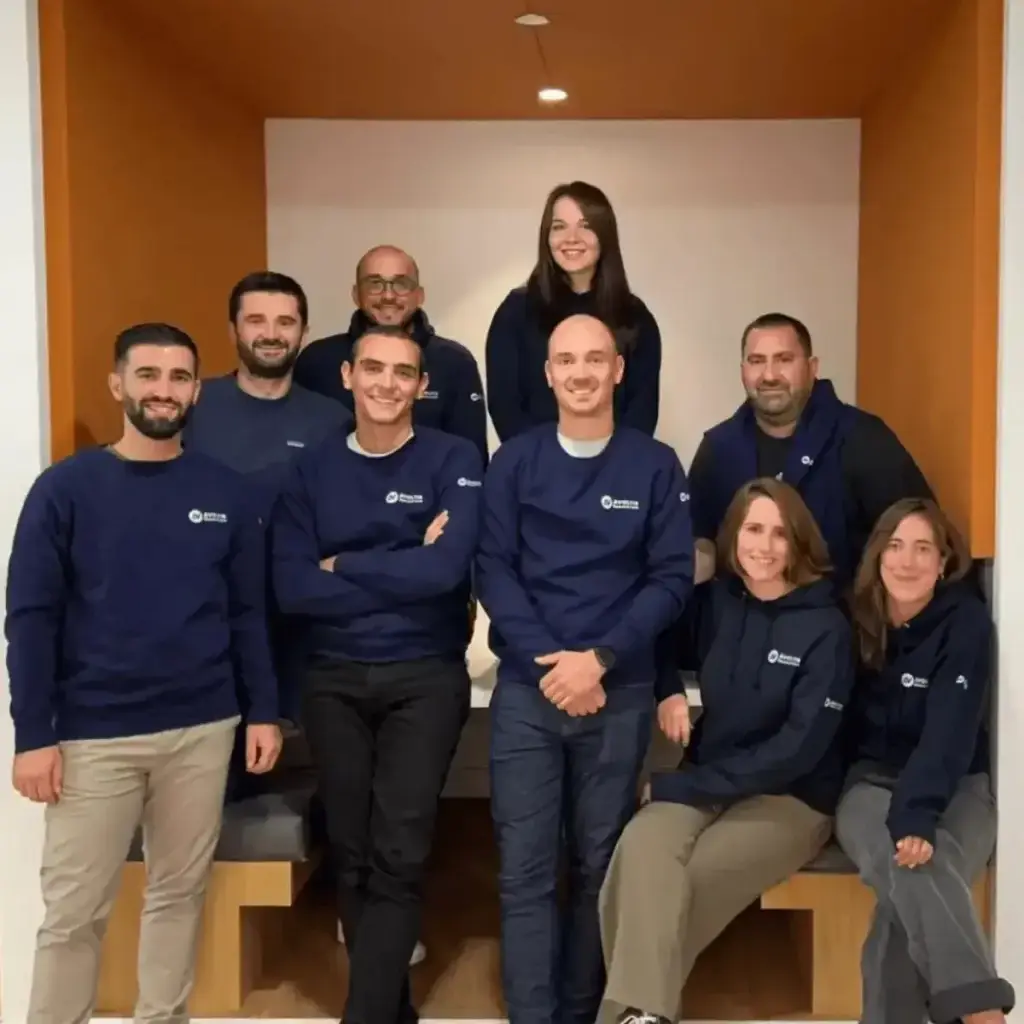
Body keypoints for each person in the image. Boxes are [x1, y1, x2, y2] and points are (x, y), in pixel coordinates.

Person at [6, 323, 283, 1024]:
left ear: (196, 391)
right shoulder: (65, 490)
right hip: (94, 737)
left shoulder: (226, 492)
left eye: (179, 377)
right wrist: (32, 734)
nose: (164, 390)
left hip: (202, 728)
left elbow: (247, 613)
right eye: (149, 375)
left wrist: (262, 710)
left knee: (178, 895)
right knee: (74, 913)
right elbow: (30, 619)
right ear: (118, 384)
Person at [476, 313, 693, 1024]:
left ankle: (581, 1012)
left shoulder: (655, 465)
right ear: (548, 374)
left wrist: (597, 659)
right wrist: (554, 664)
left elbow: (670, 579)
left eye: (595, 359)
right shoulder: (514, 462)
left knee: (601, 868)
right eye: (566, 360)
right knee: (526, 872)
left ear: (618, 370)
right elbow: (493, 569)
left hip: (619, 693)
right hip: (528, 695)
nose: (580, 373)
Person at [272, 323, 482, 1024]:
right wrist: (403, 562)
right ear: (348, 376)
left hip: (424, 676)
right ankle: (389, 1010)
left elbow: (446, 573)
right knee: (353, 852)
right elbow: (294, 587)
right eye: (373, 368)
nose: (387, 384)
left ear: (422, 385)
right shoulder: (310, 469)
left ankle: (363, 1015)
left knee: (400, 849)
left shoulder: (454, 459)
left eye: (403, 372)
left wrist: (346, 564)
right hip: (332, 677)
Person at [598, 477, 854, 1024]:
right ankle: (645, 1017)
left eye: (779, 534)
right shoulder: (717, 602)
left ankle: (629, 1015)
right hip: (709, 777)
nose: (764, 546)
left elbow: (795, 752)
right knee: (639, 850)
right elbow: (658, 639)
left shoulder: (827, 628)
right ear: (733, 535)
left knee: (685, 885)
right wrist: (668, 688)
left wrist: (681, 784)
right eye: (753, 529)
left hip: (791, 798)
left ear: (799, 543)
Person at [835, 498, 1015, 1024]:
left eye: (922, 549)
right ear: (877, 556)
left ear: (943, 562)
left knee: (913, 877)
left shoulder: (965, 623)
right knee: (912, 867)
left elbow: (949, 732)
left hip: (957, 785)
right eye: (895, 546)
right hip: (871, 785)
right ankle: (983, 1011)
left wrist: (915, 815)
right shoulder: (854, 619)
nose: (907, 561)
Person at [183, 271, 349, 784]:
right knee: (211, 781)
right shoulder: (194, 406)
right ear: (233, 329)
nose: (271, 334)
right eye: (256, 320)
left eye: (285, 322)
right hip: (206, 623)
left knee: (301, 774)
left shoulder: (332, 420)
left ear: (303, 331)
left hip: (298, 625)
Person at [688, 311, 933, 588]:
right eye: (757, 361)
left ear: (812, 367)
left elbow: (921, 537)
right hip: (741, 613)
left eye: (784, 359)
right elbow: (699, 539)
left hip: (844, 612)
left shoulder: (864, 439)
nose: (769, 375)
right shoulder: (718, 448)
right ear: (743, 369)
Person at [485, 180, 662, 443]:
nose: (571, 238)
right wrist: (546, 461)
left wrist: (609, 463)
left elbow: (642, 414)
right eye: (559, 227)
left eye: (585, 226)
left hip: (617, 465)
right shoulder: (515, 312)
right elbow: (505, 407)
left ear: (605, 234)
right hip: (533, 464)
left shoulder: (635, 317)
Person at [293, 244, 488, 463]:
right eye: (374, 284)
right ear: (356, 294)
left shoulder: (454, 362)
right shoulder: (316, 361)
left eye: (401, 284)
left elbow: (471, 460)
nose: (388, 295)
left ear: (419, 295)